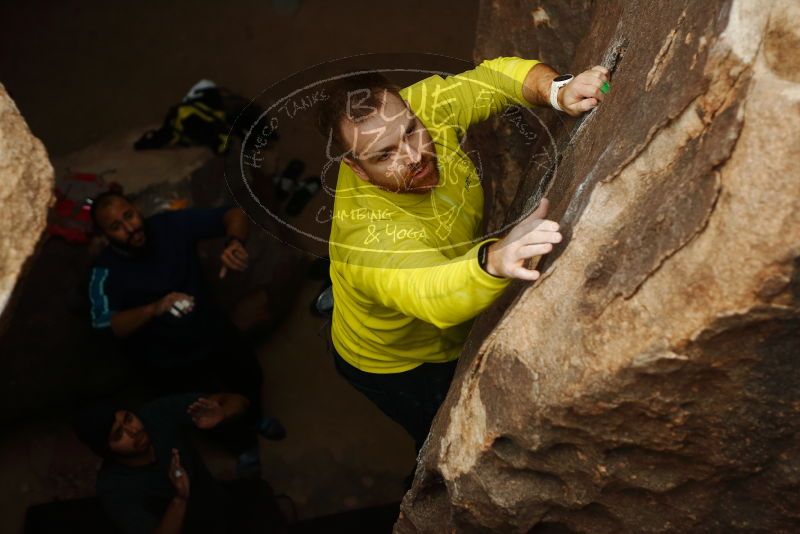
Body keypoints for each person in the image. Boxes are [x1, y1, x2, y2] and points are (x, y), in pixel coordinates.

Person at [316, 57, 609, 451]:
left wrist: (557, 90)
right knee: (440, 437)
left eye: (411, 131)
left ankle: (339, 295)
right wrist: (493, 262)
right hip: (398, 361)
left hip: (437, 267)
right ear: (358, 169)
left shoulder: (423, 107)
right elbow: (430, 292)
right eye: (384, 156)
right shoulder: (367, 237)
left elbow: (495, 77)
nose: (413, 155)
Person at [87, 195, 285, 444]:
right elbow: (104, 325)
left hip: (214, 331)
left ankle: (256, 419)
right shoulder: (104, 271)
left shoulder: (169, 226)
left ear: (136, 208)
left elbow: (234, 214)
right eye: (116, 227)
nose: (130, 227)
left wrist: (234, 242)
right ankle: (241, 448)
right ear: (104, 235)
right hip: (171, 360)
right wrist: (153, 309)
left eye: (129, 215)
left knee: (248, 379)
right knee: (203, 412)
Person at [73, 393, 285, 534]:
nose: (134, 430)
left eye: (128, 419)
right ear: (106, 450)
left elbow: (238, 400)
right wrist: (179, 498)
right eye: (119, 434)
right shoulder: (113, 488)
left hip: (223, 505)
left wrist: (222, 413)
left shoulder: (156, 415)